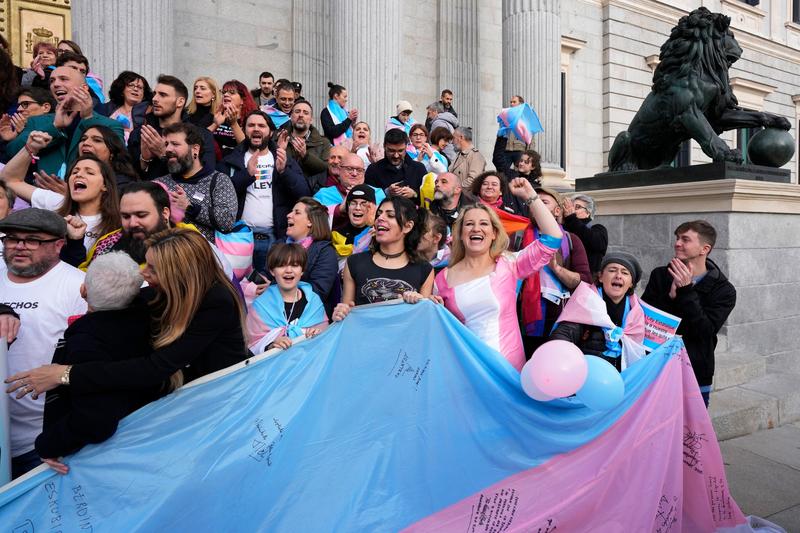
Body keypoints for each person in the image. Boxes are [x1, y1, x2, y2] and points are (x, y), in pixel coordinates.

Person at [7, 228, 251, 477]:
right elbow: (117, 309)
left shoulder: (215, 302)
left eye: (153, 269)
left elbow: (153, 368)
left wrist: (65, 374)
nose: (144, 273)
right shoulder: (161, 293)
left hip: (222, 406)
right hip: (186, 406)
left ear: (178, 275)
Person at [34, 252, 163, 464]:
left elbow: (94, 420)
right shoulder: (153, 319)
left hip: (105, 459)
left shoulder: (86, 342)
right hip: (153, 442)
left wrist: (48, 445)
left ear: (83, 290)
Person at [433, 178, 562, 370]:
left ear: (494, 233)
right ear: (460, 233)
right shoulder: (442, 279)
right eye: (469, 224)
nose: (476, 228)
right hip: (468, 372)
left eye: (484, 224)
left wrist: (530, 196)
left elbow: (553, 238)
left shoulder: (509, 264)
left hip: (507, 372)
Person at [0, 208, 86, 478]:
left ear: (59, 245)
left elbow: (94, 362)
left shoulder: (79, 287)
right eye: (12, 238)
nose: (20, 246)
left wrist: (66, 434)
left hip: (45, 443)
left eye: (33, 240)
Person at [642, 220, 736, 407]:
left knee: (690, 424)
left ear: (704, 249)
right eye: (677, 238)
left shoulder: (724, 290)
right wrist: (670, 298)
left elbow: (705, 331)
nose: (677, 243)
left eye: (685, 239)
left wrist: (685, 292)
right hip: (655, 365)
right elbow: (645, 319)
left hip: (694, 369)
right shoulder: (660, 275)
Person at [76, 181, 233, 280]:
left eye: (141, 215)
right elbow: (83, 280)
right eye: (125, 216)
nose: (132, 223)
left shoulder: (191, 242)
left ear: (165, 213)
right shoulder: (107, 243)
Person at [219, 110, 308, 269]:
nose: (256, 129)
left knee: (269, 282)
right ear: (244, 130)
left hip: (274, 238)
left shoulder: (282, 158)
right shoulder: (231, 159)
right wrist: (246, 175)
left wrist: (284, 172)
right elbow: (220, 195)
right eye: (251, 125)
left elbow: (304, 193)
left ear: (270, 131)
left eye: (261, 125)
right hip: (239, 237)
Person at [1, 134, 121, 251]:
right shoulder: (56, 202)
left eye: (89, 172)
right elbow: (10, 181)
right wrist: (30, 148)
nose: (79, 174)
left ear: (105, 185)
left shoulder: (119, 221)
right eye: (75, 172)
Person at [7, 66, 124, 176]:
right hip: (43, 189)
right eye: (52, 81)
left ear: (84, 88)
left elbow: (119, 163)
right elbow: (12, 152)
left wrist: (88, 119)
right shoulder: (37, 121)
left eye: (63, 79)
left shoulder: (111, 125)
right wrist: (54, 127)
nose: (56, 84)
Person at [334, 195, 434, 314]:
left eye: (390, 215)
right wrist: (340, 313)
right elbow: (346, 313)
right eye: (379, 214)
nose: (380, 218)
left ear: (408, 226)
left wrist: (420, 302)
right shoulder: (354, 262)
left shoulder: (424, 269)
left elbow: (424, 317)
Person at [550, 252, 645, 372]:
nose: (618, 276)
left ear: (631, 283)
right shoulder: (585, 300)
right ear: (600, 277)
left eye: (625, 273)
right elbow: (562, 336)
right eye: (612, 270)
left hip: (621, 377)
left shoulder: (637, 312)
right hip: (585, 373)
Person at [154, 122, 237, 241]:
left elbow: (227, 221)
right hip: (166, 251)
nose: (168, 149)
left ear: (195, 149)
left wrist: (189, 207)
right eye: (166, 144)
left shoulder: (218, 180)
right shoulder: (159, 183)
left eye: (175, 144)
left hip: (203, 251)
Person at [128, 75, 216, 180]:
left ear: (180, 102)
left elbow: (206, 177)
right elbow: (128, 176)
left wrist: (163, 153)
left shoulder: (201, 135)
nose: (155, 99)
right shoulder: (141, 133)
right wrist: (144, 160)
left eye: (163, 95)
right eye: (154, 94)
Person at [246, 243, 328, 353]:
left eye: (295, 265)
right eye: (282, 266)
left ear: (302, 270)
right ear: (272, 271)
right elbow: (252, 345)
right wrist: (271, 345)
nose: (289, 270)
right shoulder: (260, 306)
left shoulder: (314, 301)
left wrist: (315, 334)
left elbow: (326, 338)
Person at [283, 197, 338, 314]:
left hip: (309, 317)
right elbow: (266, 274)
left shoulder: (325, 252)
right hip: (275, 311)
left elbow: (319, 291)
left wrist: (275, 288)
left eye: (297, 212)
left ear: (310, 221)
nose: (288, 215)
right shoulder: (279, 245)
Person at [364, 129, 426, 202]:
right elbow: (367, 198)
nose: (396, 156)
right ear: (384, 146)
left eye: (400, 151)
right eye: (391, 151)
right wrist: (386, 192)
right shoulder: (373, 170)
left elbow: (428, 197)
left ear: (406, 147)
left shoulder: (419, 168)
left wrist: (414, 194)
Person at [314, 152, 385, 214]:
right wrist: (339, 209)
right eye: (349, 169)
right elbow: (314, 218)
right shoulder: (323, 195)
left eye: (359, 170)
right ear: (339, 170)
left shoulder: (376, 193)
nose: (354, 174)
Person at [280, 99, 331, 183]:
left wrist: (305, 155)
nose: (301, 115)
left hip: (311, 188)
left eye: (305, 113)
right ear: (291, 117)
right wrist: (280, 150)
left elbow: (325, 168)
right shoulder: (279, 138)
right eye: (297, 111)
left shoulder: (323, 142)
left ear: (311, 120)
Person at [96, 71, 152, 143]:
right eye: (131, 85)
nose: (135, 89)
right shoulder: (107, 108)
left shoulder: (149, 110)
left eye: (140, 87)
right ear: (122, 89)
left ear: (144, 95)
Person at [330, 184, 377, 270]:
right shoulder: (336, 234)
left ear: (372, 208)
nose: (357, 208)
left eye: (363, 204)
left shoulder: (379, 233)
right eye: (353, 203)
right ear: (348, 207)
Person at [562, 193, 608, 277]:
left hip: (586, 280)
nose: (572, 210)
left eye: (577, 207)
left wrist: (571, 218)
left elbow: (594, 242)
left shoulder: (598, 229)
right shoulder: (563, 227)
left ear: (588, 213)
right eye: (571, 206)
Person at [210, 80, 257, 160]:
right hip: (216, 162)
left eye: (232, 93)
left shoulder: (251, 120)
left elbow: (247, 148)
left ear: (242, 100)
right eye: (224, 92)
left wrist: (234, 123)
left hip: (238, 163)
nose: (225, 95)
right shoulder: (216, 116)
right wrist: (215, 124)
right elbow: (201, 140)